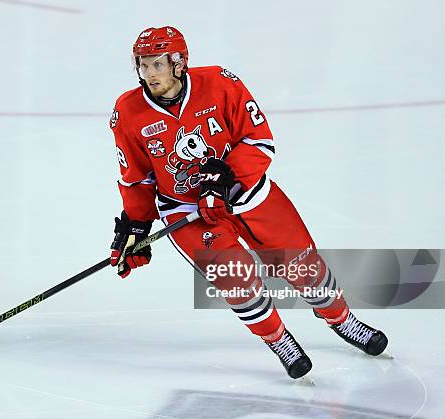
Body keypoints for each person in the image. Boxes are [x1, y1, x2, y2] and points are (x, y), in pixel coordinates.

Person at [108, 26, 388, 379]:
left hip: (248, 193)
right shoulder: (128, 111)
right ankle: (279, 339)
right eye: (143, 65)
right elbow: (136, 177)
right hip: (189, 213)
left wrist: (225, 179)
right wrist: (136, 223)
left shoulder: (220, 83)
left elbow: (259, 140)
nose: (149, 74)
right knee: (237, 280)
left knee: (303, 265)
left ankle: (342, 319)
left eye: (157, 64)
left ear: (179, 63)